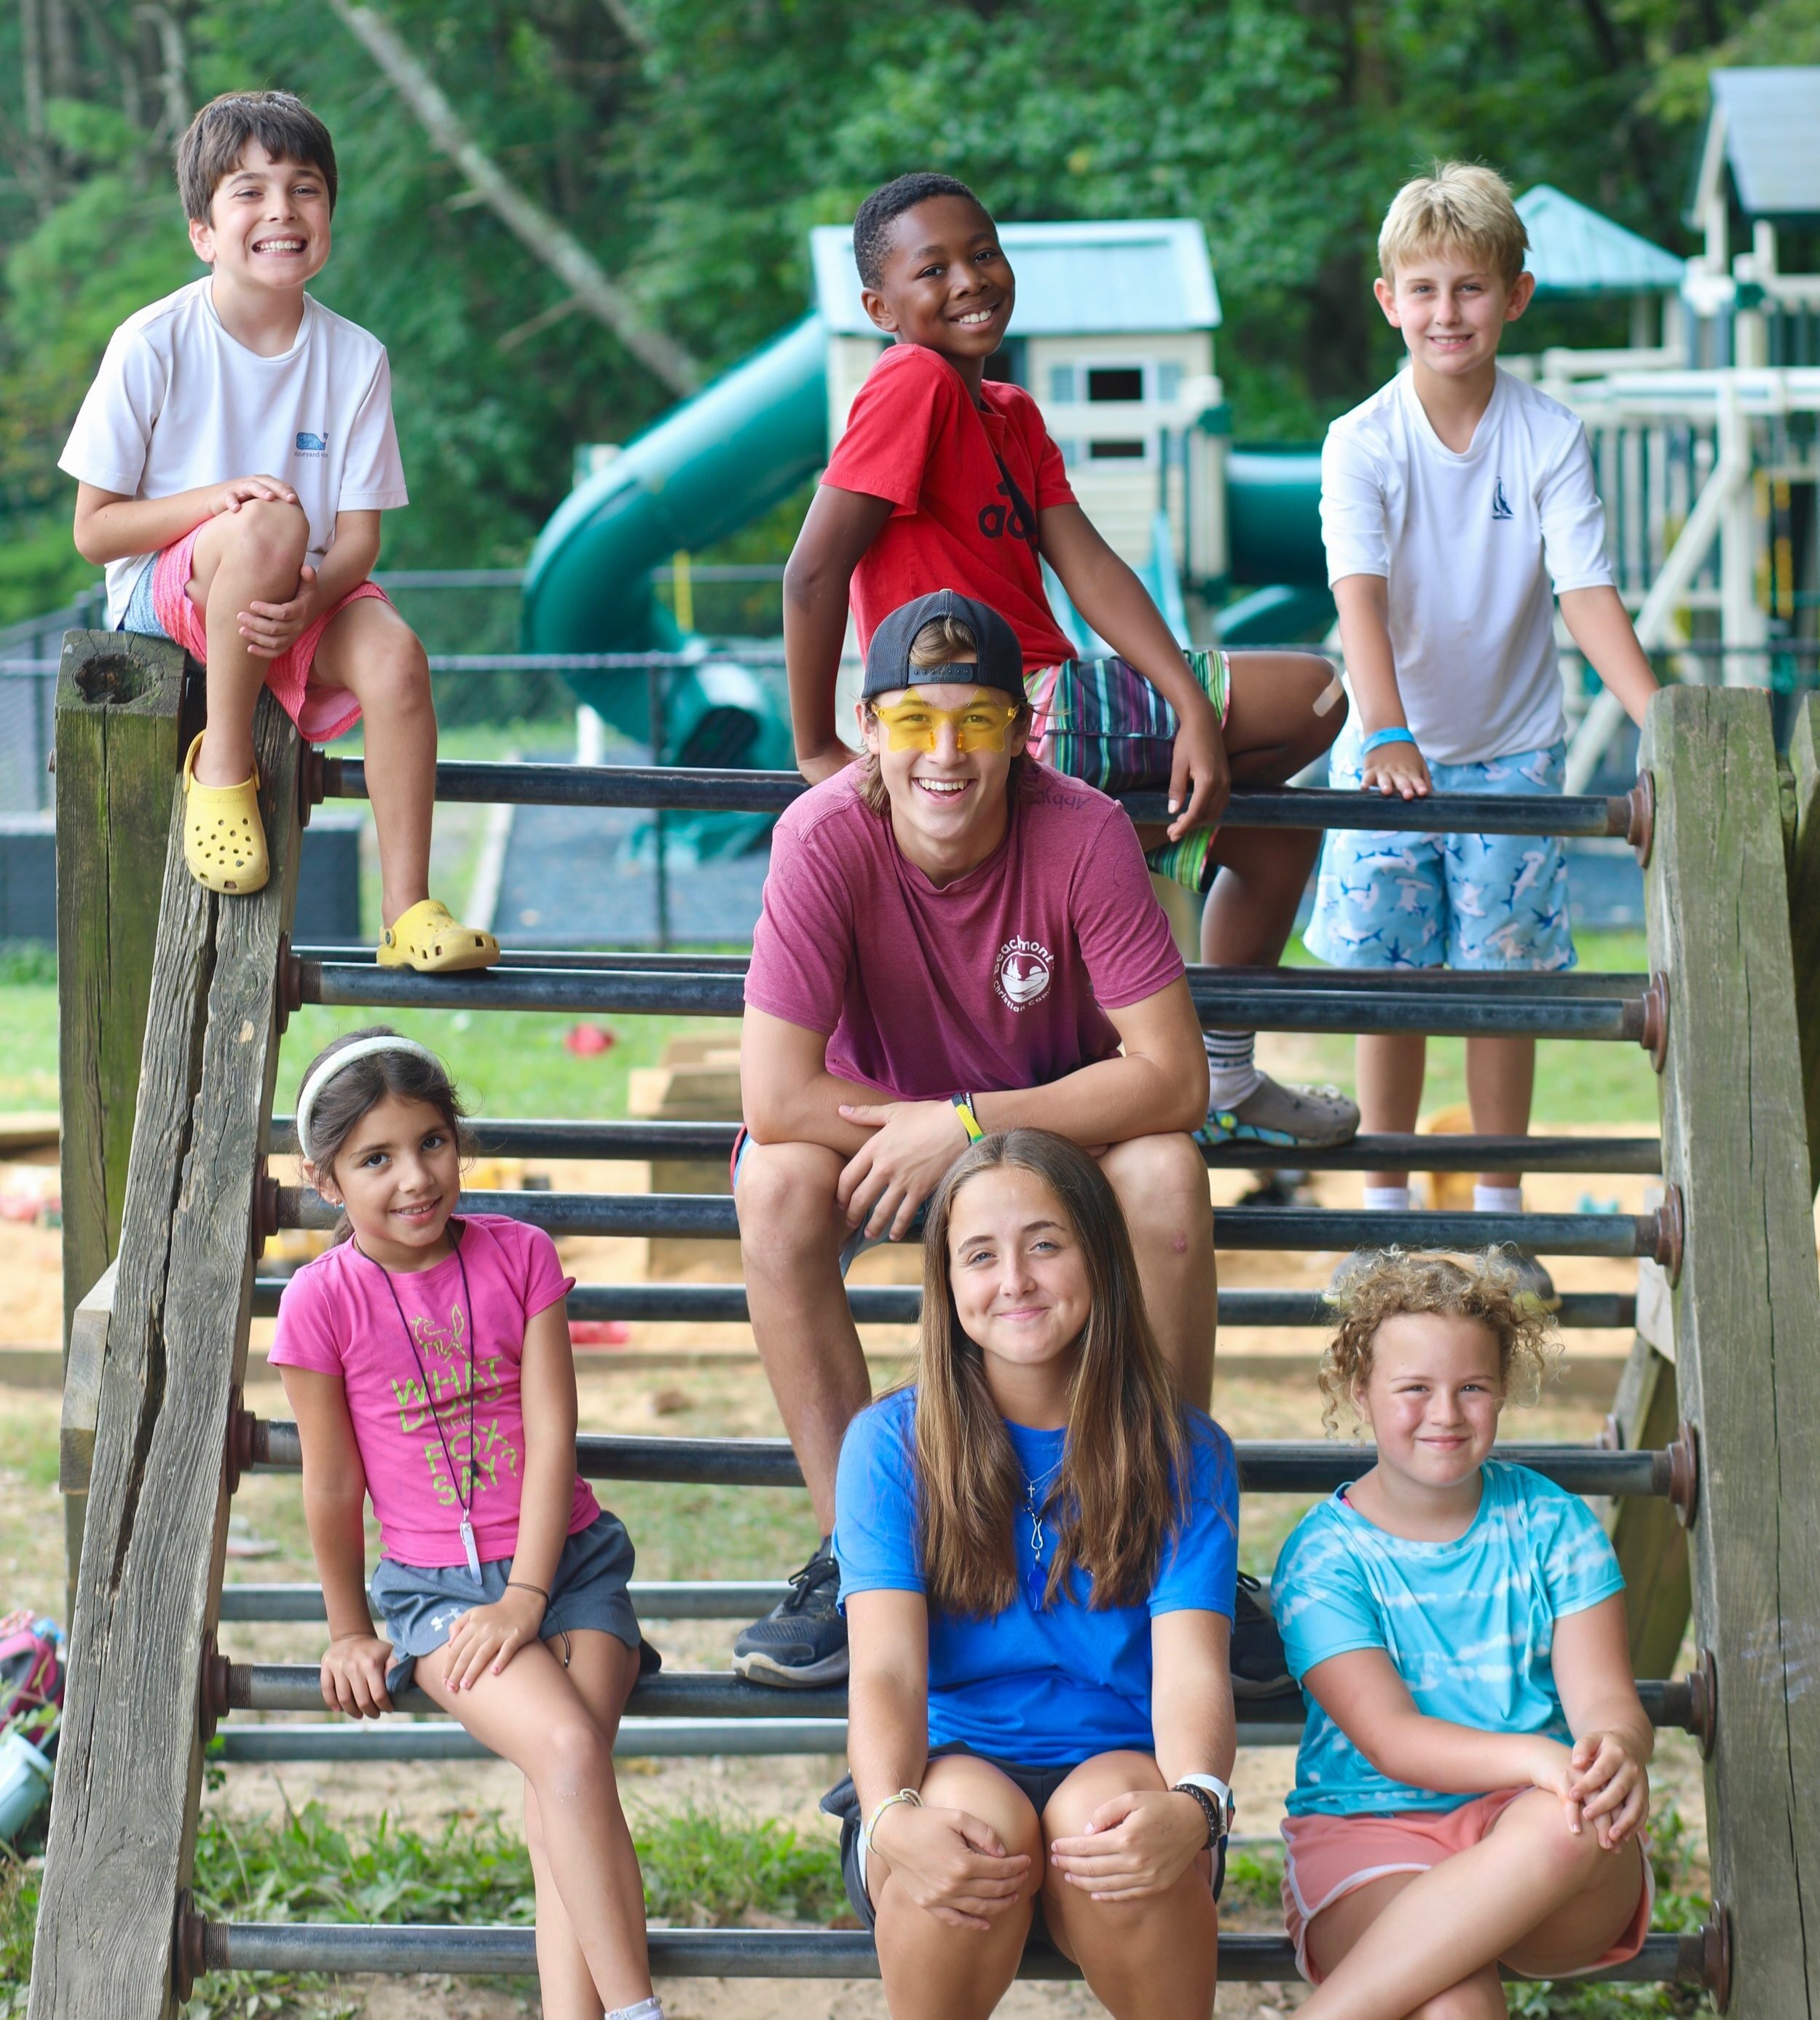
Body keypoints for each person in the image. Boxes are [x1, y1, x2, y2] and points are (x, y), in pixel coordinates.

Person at [733, 586, 1258, 1692]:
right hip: (874, 1146)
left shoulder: (1080, 830)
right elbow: (778, 1097)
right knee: (775, 1183)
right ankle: (857, 1557)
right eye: (914, 720)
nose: (944, 752)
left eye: (975, 721)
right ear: (867, 726)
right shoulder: (821, 835)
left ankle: (1165, 1533)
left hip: (1043, 1140)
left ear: (1022, 728)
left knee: (1164, 1173)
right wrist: (925, 1136)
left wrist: (968, 1127)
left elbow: (1167, 1074)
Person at [784, 169, 1358, 1152]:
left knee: (1270, 835)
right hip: (1009, 709)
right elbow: (811, 572)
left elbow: (1087, 565)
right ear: (880, 309)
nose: (968, 280)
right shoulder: (910, 381)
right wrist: (816, 749)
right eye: (933, 269)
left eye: (983, 253)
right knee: (1316, 691)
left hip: (1048, 712)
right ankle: (1122, 895)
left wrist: (1185, 703)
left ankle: (1217, 1063)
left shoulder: (1009, 412)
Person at [269, 1028, 661, 2020]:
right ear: (324, 1180)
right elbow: (329, 1483)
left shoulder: (519, 1256)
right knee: (567, 1759)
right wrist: (350, 1625)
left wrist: (530, 1593)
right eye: (376, 1157)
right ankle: (636, 2011)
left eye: (433, 1142)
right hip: (436, 1591)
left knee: (556, 1791)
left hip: (569, 1564)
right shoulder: (320, 1300)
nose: (415, 1177)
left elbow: (552, 1428)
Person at [1311, 162, 1658, 1273]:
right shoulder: (1359, 440)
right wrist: (1384, 731)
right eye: (1422, 289)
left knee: (1499, 984)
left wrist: (1659, 717)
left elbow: (1583, 588)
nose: (1444, 312)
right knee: (1388, 981)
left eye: (1468, 288)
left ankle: (1498, 1213)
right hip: (1384, 740)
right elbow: (1356, 595)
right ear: (1386, 300)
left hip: (1510, 745)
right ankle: (1382, 1211)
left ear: (1513, 295)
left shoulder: (1545, 433)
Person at [59, 90, 496, 973]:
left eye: (304, 189)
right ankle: (223, 763)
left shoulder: (356, 357)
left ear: (329, 214)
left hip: (304, 585)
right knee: (270, 521)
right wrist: (219, 500)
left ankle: (406, 908)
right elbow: (97, 532)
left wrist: (307, 608)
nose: (280, 212)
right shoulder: (152, 343)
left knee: (398, 659)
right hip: (170, 590)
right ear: (203, 232)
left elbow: (362, 540)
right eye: (248, 191)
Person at [824, 1129, 1237, 2019]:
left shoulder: (1182, 1448)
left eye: (1045, 1243)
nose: (1014, 1279)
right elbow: (887, 1669)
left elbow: (1193, 1664)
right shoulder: (893, 1442)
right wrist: (893, 1817)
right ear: (947, 1283)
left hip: (1121, 1758)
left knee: (1112, 1828)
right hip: (948, 1758)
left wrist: (1197, 1800)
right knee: (969, 1838)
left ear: (1100, 1255)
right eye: (980, 1254)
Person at [1271, 1251, 1653, 2013]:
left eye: (1471, 1387)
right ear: (1362, 1394)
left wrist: (1616, 1748)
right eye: (1415, 1388)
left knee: (1569, 1812)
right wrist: (1539, 1758)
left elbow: (1607, 1700)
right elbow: (1392, 1738)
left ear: (1502, 1390)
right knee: (1455, 2007)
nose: (1445, 1412)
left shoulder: (1553, 1524)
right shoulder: (1325, 1556)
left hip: (1546, 1856)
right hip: (1371, 1835)